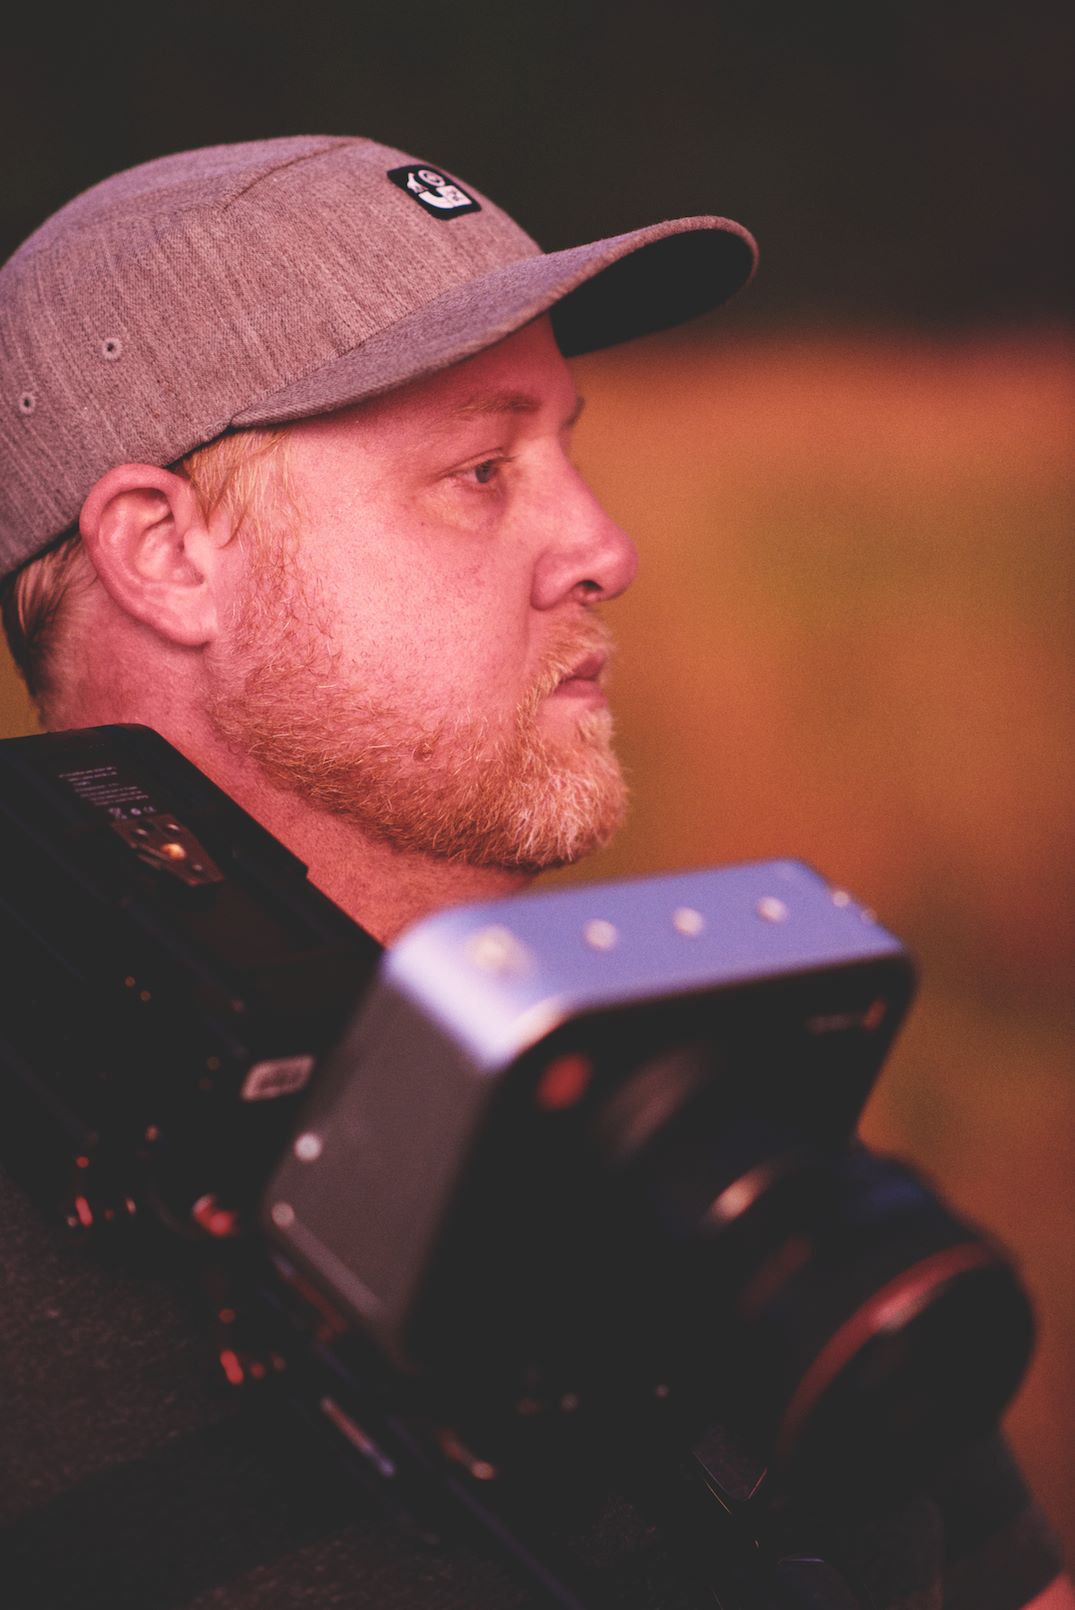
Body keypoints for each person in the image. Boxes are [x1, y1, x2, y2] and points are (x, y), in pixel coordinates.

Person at [0, 135, 1068, 1609]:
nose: (605, 546)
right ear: (167, 555)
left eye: (569, 446)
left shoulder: (730, 1160)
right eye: (482, 469)